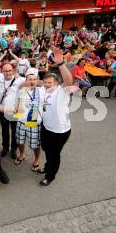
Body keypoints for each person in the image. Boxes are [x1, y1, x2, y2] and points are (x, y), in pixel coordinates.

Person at [37, 47, 74, 186]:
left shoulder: (62, 90)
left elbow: (69, 81)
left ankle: (50, 175)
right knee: (46, 149)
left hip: (60, 131)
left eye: (50, 83)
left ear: (56, 83)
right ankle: (47, 167)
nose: (47, 85)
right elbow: (35, 83)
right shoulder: (44, 90)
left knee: (54, 154)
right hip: (46, 127)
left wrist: (60, 64)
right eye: (45, 83)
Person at [13, 72, 45, 171]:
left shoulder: (41, 91)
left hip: (34, 123)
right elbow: (16, 103)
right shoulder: (21, 90)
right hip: (21, 122)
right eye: (29, 79)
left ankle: (36, 160)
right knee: (20, 141)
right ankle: (22, 154)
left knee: (35, 144)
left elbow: (47, 84)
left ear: (37, 81)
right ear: (26, 81)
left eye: (34, 79)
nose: (32, 81)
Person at [0, 63, 25, 158]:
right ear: (2, 72)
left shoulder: (20, 79)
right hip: (4, 111)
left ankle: (14, 149)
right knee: (4, 131)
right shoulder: (0, 81)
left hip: (15, 111)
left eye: (9, 70)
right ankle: (5, 148)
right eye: (5, 71)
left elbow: (31, 81)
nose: (8, 72)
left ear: (13, 71)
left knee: (15, 132)